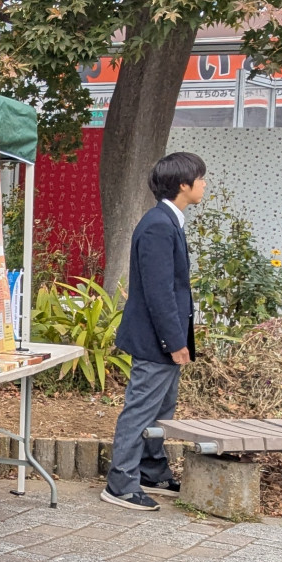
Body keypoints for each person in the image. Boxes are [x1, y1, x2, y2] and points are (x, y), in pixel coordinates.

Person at [106, 151, 206, 512]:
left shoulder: (167, 220)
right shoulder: (159, 225)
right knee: (140, 409)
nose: (204, 184)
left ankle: (151, 470)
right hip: (155, 340)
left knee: (162, 410)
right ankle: (121, 483)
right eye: (200, 178)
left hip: (162, 339)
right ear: (184, 184)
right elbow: (158, 290)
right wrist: (174, 342)